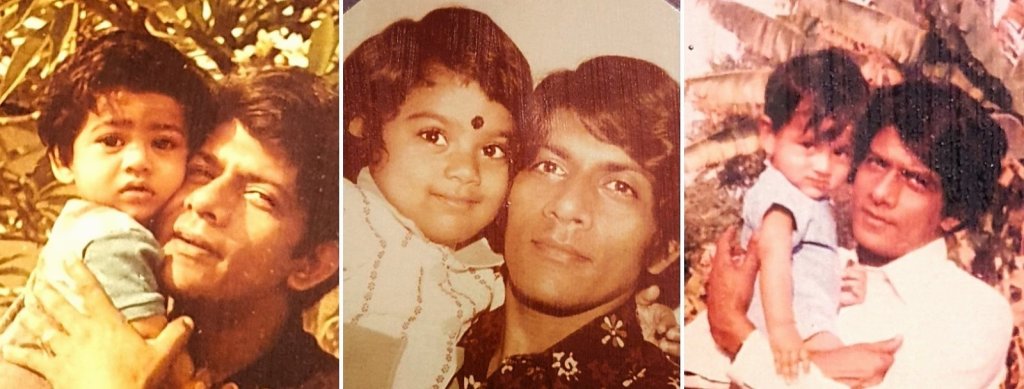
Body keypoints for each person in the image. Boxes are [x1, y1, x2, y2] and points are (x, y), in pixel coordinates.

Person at [3, 67, 341, 388]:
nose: (205, 201)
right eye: (201, 171)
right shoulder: (82, 328)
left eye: (259, 196)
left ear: (312, 264)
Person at [705, 81, 1013, 388]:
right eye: (877, 163)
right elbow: (695, 367)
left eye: (916, 181)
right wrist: (824, 370)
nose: (880, 193)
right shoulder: (803, 262)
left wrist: (736, 333)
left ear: (953, 213)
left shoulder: (971, 312)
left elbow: (726, 340)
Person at [0, 30, 215, 388]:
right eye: (111, 140)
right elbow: (147, 347)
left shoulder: (74, 223)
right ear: (62, 158)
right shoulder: (116, 237)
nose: (138, 161)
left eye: (163, 143)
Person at [453, 55, 681, 387]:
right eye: (549, 166)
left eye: (619, 187)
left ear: (664, 249)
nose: (568, 206)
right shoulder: (435, 314)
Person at [342, 6, 532, 388]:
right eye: (433, 136)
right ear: (364, 122)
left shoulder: (485, 273)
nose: (466, 170)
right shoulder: (349, 219)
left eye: (492, 150)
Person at [685, 48, 870, 383]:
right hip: (788, 332)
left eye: (840, 152)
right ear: (769, 135)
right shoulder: (782, 194)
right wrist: (784, 331)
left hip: (799, 325)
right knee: (859, 373)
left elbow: (804, 270)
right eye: (809, 145)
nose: (824, 166)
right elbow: (773, 256)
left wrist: (838, 287)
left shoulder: (806, 197)